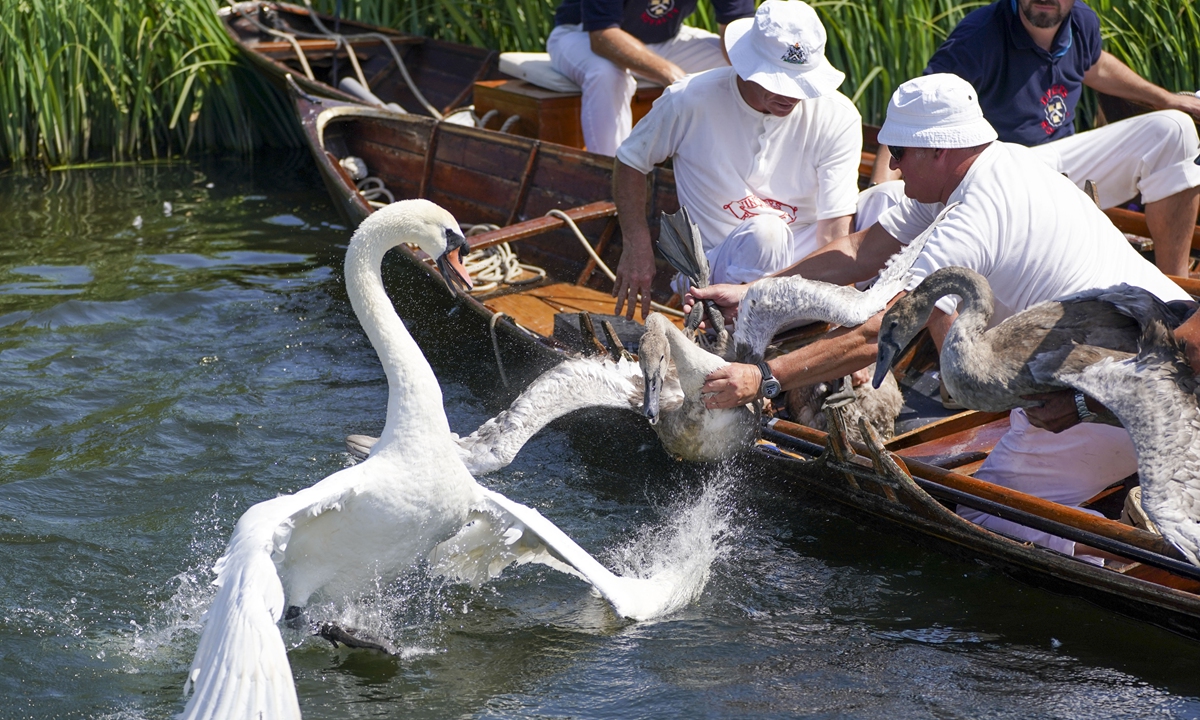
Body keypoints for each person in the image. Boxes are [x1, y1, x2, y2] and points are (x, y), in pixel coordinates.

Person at [689, 73, 1191, 562]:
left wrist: (763, 378)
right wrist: (756, 290)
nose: (893, 166)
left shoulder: (970, 221)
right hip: (1180, 345)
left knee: (981, 516)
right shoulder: (1000, 164)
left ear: (939, 151)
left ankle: (1141, 543)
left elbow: (878, 332)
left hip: (1112, 396)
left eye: (900, 153)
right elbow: (862, 251)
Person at [611, 0, 897, 319]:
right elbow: (631, 161)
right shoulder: (689, 99)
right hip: (719, 262)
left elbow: (833, 230)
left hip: (805, 260)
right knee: (767, 233)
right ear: (747, 64)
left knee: (890, 199)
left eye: (799, 83)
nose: (790, 96)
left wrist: (841, 308)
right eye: (778, 82)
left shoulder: (838, 115)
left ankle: (868, 325)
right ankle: (730, 328)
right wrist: (636, 244)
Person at [875, 0, 1200, 277]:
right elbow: (914, 112)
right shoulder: (980, 35)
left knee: (1173, 130)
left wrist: (1168, 99)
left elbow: (1095, 64)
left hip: (1058, 171)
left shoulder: (1080, 22)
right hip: (1000, 178)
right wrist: (881, 189)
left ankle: (1174, 287)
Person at [547, 0, 754, 156]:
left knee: (744, 67)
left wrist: (747, 67)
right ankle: (609, 174)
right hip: (580, 34)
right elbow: (602, 36)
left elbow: (736, 30)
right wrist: (669, 74)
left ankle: (742, 168)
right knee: (607, 75)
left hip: (668, 39)